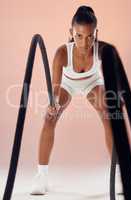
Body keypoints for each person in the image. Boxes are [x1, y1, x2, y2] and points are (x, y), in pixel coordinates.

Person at [30, 5, 124, 196]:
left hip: (92, 82)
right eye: (79, 36)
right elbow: (55, 88)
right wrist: (53, 104)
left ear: (96, 33)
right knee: (49, 118)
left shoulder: (103, 49)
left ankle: (120, 174)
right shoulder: (62, 53)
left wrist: (117, 94)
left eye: (90, 36)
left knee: (109, 115)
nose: (85, 42)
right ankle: (41, 176)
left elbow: (116, 74)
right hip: (68, 83)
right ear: (71, 33)